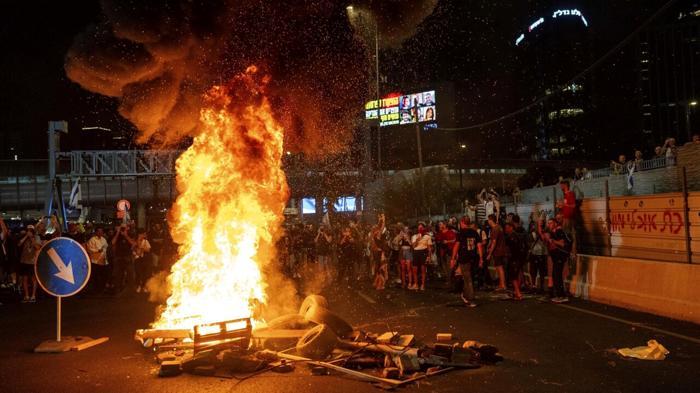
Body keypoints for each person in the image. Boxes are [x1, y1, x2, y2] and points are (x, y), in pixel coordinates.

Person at [451, 217, 482, 307]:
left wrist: (453, 258)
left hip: (464, 258)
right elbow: (479, 245)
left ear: (462, 223)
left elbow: (457, 245)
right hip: (473, 257)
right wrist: (481, 258)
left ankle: (470, 299)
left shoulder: (461, 233)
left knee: (468, 279)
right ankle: (465, 294)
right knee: (467, 277)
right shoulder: (474, 232)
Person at [542, 218, 571, 303]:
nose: (549, 225)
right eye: (548, 223)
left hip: (560, 257)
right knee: (555, 275)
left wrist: (553, 241)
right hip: (555, 257)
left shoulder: (559, 232)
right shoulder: (553, 233)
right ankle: (559, 295)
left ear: (555, 223)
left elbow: (562, 243)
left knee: (557, 276)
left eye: (551, 223)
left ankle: (562, 295)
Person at [505, 217, 529, 301]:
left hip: (514, 258)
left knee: (513, 276)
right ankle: (516, 292)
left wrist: (508, 255)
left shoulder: (510, 237)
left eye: (507, 228)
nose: (506, 229)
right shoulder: (518, 236)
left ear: (511, 227)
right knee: (517, 275)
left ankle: (518, 293)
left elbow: (508, 249)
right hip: (520, 258)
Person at [18, 225, 41, 303]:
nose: (29, 232)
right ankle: (27, 296)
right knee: (25, 279)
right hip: (24, 261)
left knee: (33, 279)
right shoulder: (24, 237)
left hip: (32, 261)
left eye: (30, 230)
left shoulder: (37, 237)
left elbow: (38, 247)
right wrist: (26, 237)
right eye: (28, 230)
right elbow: (19, 244)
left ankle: (33, 295)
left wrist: (31, 238)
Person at [110, 223, 135, 295]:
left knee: (130, 275)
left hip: (128, 257)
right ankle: (118, 290)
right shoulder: (117, 235)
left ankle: (131, 291)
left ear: (127, 228)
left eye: (124, 228)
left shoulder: (130, 234)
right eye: (122, 228)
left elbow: (133, 244)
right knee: (118, 275)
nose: (123, 229)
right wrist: (118, 232)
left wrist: (126, 235)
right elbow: (113, 242)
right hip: (119, 258)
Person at [485, 214, 507, 292]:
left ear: (491, 220)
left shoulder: (495, 229)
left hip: (498, 251)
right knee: (500, 268)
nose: (488, 221)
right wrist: (488, 247)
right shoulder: (499, 227)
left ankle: (503, 285)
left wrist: (490, 253)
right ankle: (502, 284)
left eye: (488, 220)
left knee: (499, 267)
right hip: (501, 250)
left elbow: (494, 242)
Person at [528, 215, 548, 294]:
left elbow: (544, 240)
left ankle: (542, 287)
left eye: (542, 221)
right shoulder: (533, 231)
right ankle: (533, 286)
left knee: (542, 272)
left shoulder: (546, 231)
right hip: (534, 253)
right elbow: (530, 240)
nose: (541, 223)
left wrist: (540, 231)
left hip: (542, 254)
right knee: (533, 271)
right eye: (539, 221)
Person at [86, 227, 109, 295]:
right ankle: (95, 290)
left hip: (103, 261)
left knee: (103, 276)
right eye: (99, 231)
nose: (100, 233)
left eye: (101, 231)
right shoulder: (92, 240)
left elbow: (106, 247)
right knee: (95, 277)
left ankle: (102, 289)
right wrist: (97, 251)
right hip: (95, 261)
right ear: (96, 232)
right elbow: (89, 249)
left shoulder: (103, 239)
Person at [410, 222, 432, 291]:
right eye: (419, 228)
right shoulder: (414, 236)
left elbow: (429, 248)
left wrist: (429, 257)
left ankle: (422, 285)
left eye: (421, 228)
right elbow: (413, 246)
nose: (420, 229)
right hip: (416, 252)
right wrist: (417, 240)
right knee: (415, 270)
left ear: (424, 228)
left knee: (423, 270)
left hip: (423, 253)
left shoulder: (427, 236)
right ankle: (416, 284)